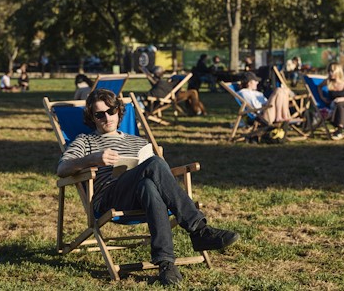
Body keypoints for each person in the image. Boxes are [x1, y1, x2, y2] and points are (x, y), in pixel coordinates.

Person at [57, 89, 239, 285]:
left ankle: (166, 264)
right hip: (111, 196)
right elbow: (62, 168)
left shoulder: (138, 142)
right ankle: (199, 230)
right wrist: (91, 159)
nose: (106, 117)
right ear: (92, 117)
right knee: (156, 164)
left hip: (140, 195)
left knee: (149, 186)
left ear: (119, 111)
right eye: (99, 114)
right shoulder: (86, 141)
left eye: (111, 111)